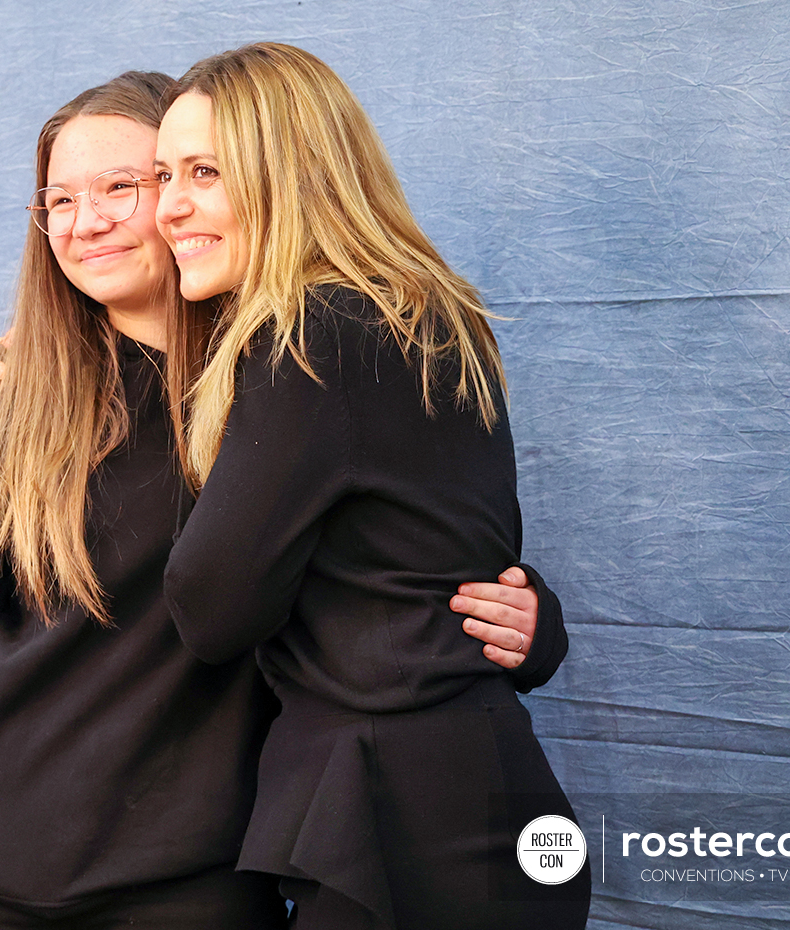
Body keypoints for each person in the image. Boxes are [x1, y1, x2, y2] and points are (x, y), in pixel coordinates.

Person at [0, 69, 566, 930]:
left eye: (123, 187)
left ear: (230, 183)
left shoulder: (299, 372)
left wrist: (528, 623)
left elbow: (398, 555)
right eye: (58, 200)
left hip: (200, 888)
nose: (86, 222)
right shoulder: (6, 404)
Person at [151, 44, 592, 929]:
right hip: (469, 795)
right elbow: (438, 555)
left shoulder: (313, 332)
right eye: (163, 173)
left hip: (403, 825)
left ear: (293, 171)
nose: (170, 206)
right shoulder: (426, 312)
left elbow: (212, 608)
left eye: (206, 172)